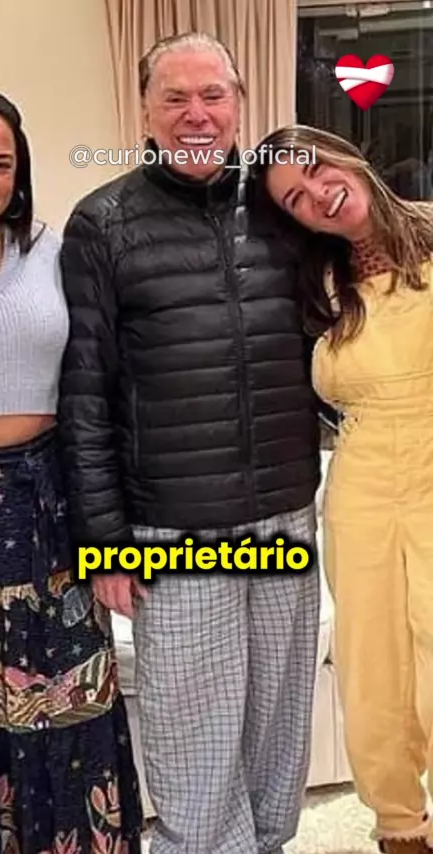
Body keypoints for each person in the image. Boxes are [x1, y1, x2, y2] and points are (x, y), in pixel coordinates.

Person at [57, 31, 322, 854]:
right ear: (144, 111)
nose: (196, 114)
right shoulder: (103, 223)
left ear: (240, 104)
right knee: (195, 743)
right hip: (176, 534)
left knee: (277, 736)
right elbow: (86, 396)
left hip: (284, 520)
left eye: (213, 95)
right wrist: (104, 544)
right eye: (175, 98)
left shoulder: (283, 208)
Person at [0, 87, 142, 854]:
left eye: (0, 163)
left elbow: (100, 373)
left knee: (70, 703)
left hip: (51, 505)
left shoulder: (48, 250)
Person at [252, 122, 433, 854]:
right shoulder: (317, 286)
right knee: (371, 663)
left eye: (315, 170)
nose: (317, 195)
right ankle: (400, 824)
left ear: (345, 157)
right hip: (360, 486)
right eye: (295, 199)